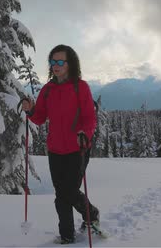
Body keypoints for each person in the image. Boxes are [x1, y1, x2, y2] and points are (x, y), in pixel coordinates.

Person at [22, 44, 99, 244]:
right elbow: (39, 117)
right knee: (61, 194)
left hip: (78, 148)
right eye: (52, 61)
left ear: (70, 64)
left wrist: (85, 133)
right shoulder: (48, 90)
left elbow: (90, 118)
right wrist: (31, 111)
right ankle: (66, 235)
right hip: (55, 150)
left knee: (69, 191)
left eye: (60, 61)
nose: (55, 65)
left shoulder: (80, 87)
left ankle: (91, 215)